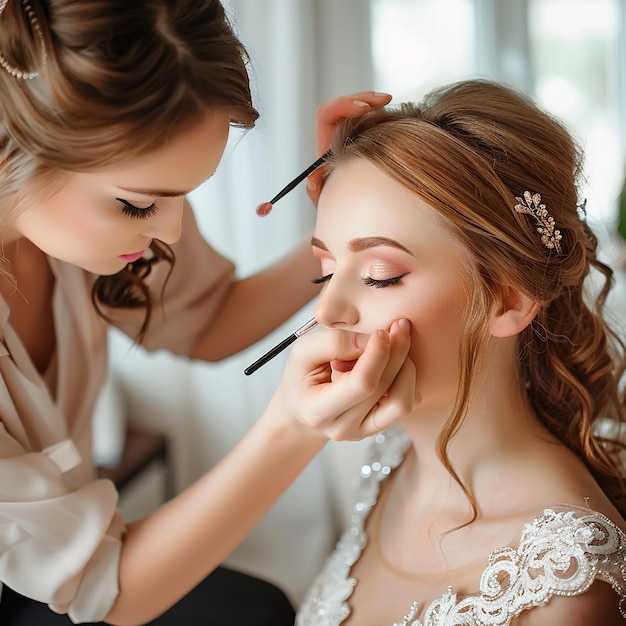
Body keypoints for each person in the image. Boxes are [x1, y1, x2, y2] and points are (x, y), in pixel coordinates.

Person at [0, 1, 415, 624]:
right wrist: (295, 424)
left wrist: (345, 240)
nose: (170, 230)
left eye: (183, 197)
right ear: (17, 150)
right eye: (140, 206)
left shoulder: (73, 222)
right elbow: (105, 587)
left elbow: (212, 320)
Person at [296, 79, 626, 626]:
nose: (327, 312)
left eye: (380, 276)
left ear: (507, 300)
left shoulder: (566, 584)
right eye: (324, 270)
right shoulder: (391, 460)